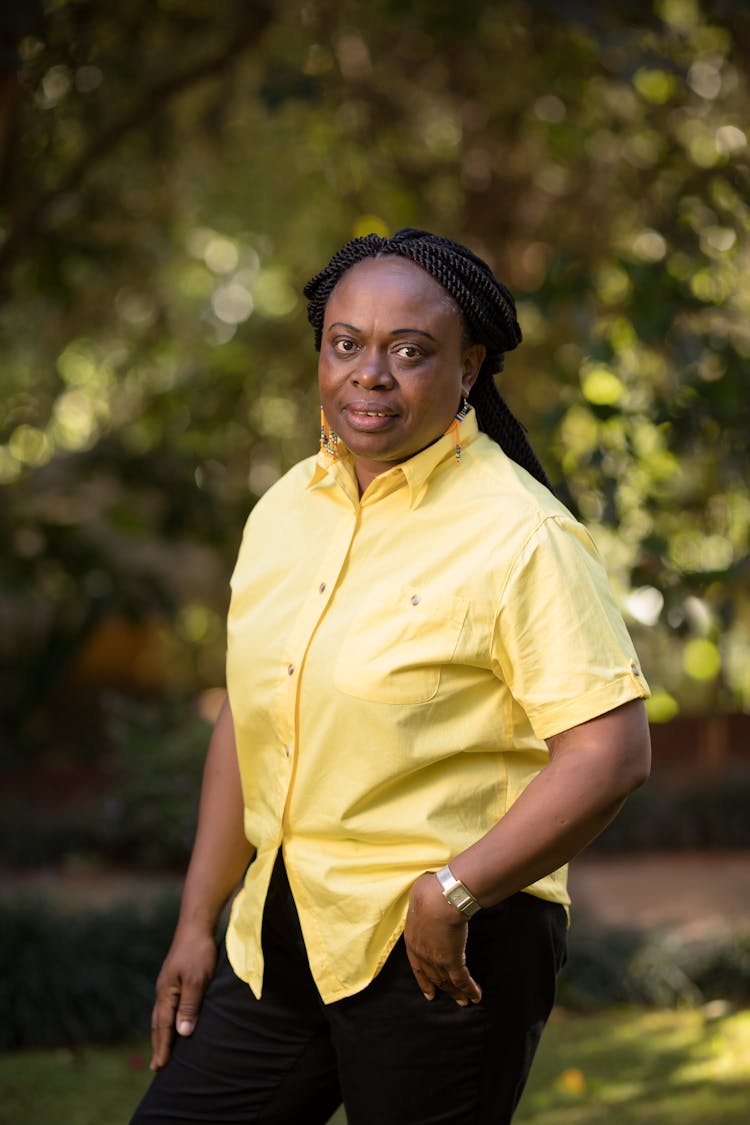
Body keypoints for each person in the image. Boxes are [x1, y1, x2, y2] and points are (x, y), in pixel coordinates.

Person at [131, 228, 651, 1125]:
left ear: (466, 367)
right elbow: (253, 724)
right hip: (284, 939)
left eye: (410, 351)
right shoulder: (287, 507)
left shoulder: (519, 533)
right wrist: (195, 921)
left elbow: (609, 752)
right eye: (347, 344)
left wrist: (454, 889)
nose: (371, 374)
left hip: (446, 949)